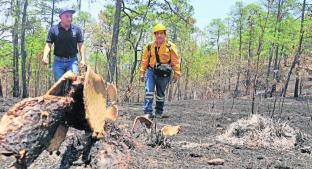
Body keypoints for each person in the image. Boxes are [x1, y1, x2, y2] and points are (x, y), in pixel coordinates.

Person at [140, 23, 181, 118]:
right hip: (151, 71)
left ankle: (159, 112)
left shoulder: (170, 46)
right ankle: (148, 111)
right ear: (154, 35)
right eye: (156, 33)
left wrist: (177, 73)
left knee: (160, 93)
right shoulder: (149, 47)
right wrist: (142, 73)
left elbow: (175, 60)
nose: (159, 35)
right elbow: (145, 60)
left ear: (165, 34)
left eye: (161, 33)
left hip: (164, 73)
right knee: (149, 91)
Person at [42, 7, 86, 81]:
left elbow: (81, 45)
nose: (69, 18)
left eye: (71, 16)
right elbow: (48, 44)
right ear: (60, 17)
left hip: (72, 61)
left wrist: (83, 59)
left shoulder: (76, 29)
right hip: (58, 62)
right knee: (59, 86)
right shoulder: (53, 30)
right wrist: (45, 56)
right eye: (67, 16)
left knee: (73, 83)